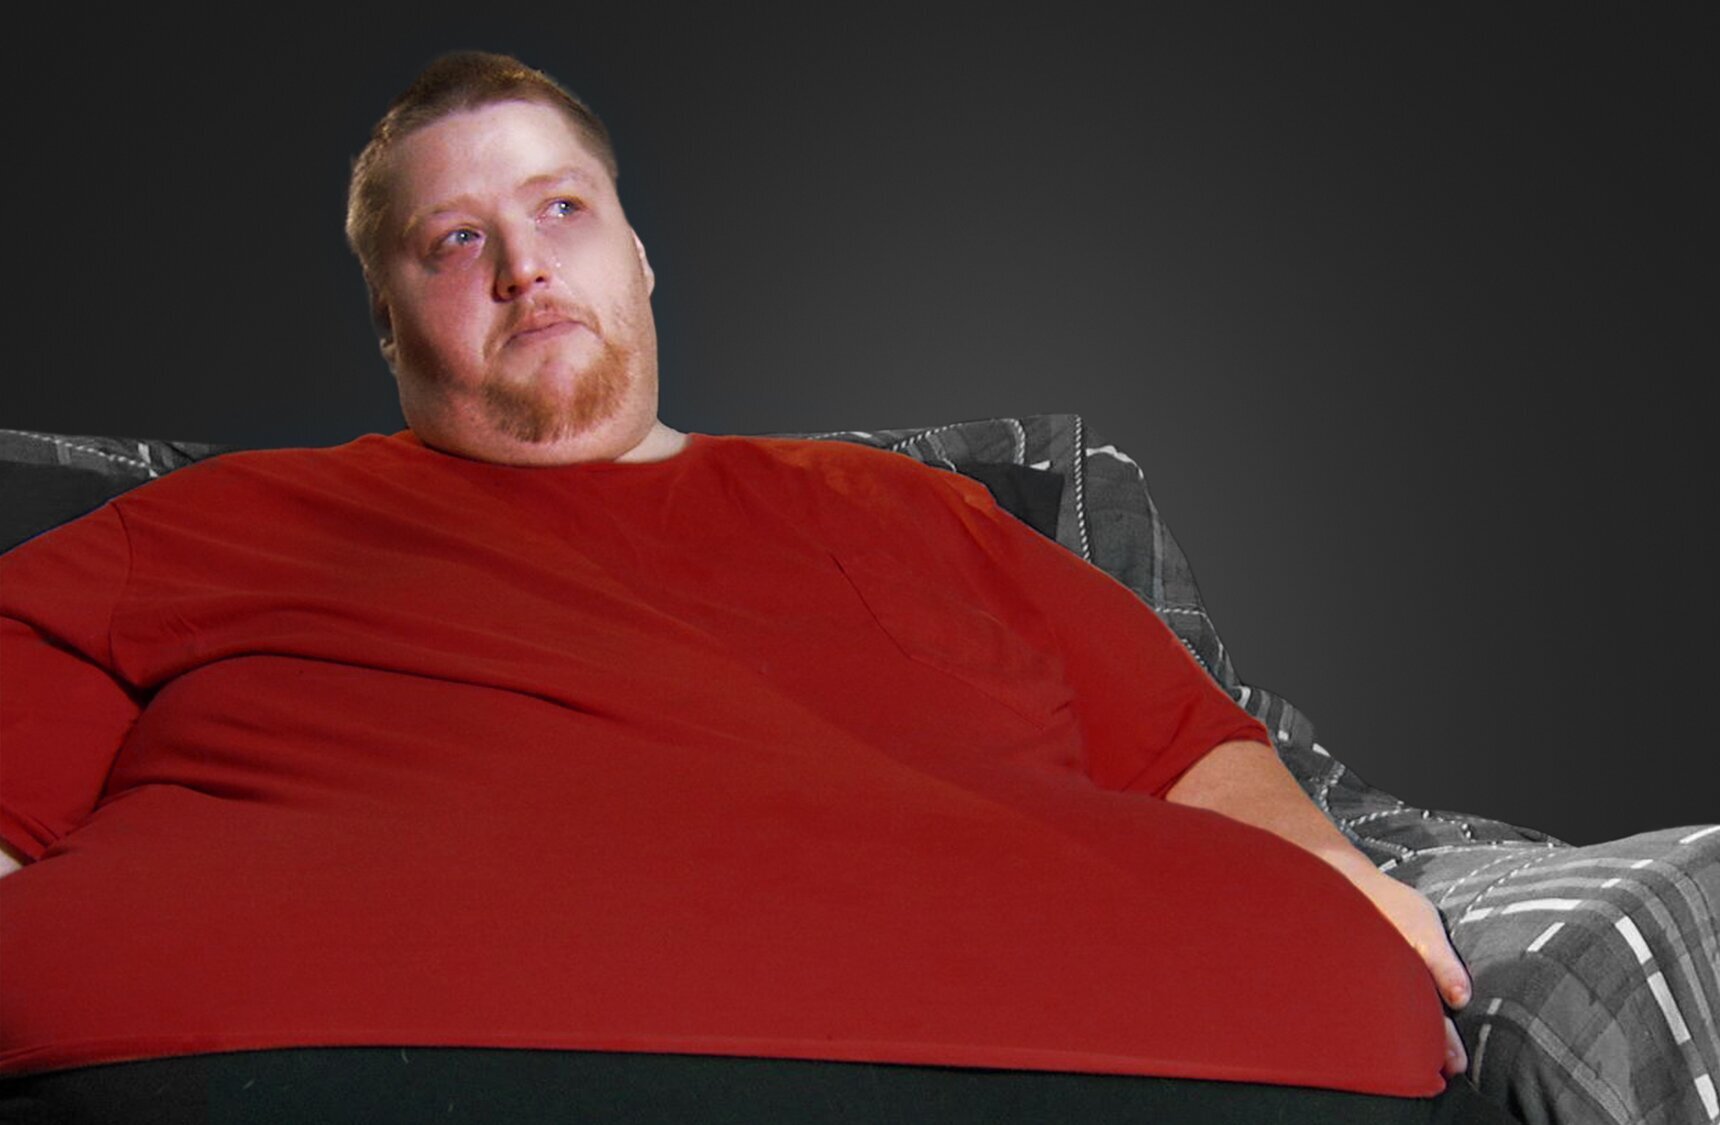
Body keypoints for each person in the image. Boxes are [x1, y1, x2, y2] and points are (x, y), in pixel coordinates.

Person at [0, 51, 1524, 1122]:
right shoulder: (222, 519)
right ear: (390, 326)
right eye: (455, 241)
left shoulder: (909, 509)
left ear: (642, 257)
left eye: (561, 209)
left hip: (1097, 1031)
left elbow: (1191, 745)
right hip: (277, 1037)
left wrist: (1328, 873)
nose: (524, 265)